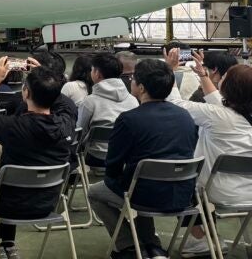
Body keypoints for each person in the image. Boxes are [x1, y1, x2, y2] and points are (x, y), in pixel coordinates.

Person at [0, 57, 77, 259]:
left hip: (8, 204)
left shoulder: (12, 127)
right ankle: (8, 243)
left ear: (26, 93)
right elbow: (67, 106)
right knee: (10, 182)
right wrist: (47, 81)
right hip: (48, 202)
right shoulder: (65, 125)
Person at [88, 59, 198, 259]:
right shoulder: (185, 116)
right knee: (139, 183)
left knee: (97, 192)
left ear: (141, 87)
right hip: (183, 195)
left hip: (143, 195)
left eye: (133, 79)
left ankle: (128, 245)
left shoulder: (129, 119)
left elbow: (112, 166)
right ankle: (151, 245)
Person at [168, 55, 252, 257]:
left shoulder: (217, 116)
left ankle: (200, 238)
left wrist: (170, 71)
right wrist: (203, 75)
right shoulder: (237, 113)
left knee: (176, 181)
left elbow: (175, 105)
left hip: (219, 191)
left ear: (228, 88)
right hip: (248, 190)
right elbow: (218, 102)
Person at [76, 53, 138, 166]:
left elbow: (80, 133)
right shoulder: (133, 100)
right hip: (124, 157)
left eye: (92, 70)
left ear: (97, 74)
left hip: (96, 157)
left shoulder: (89, 102)